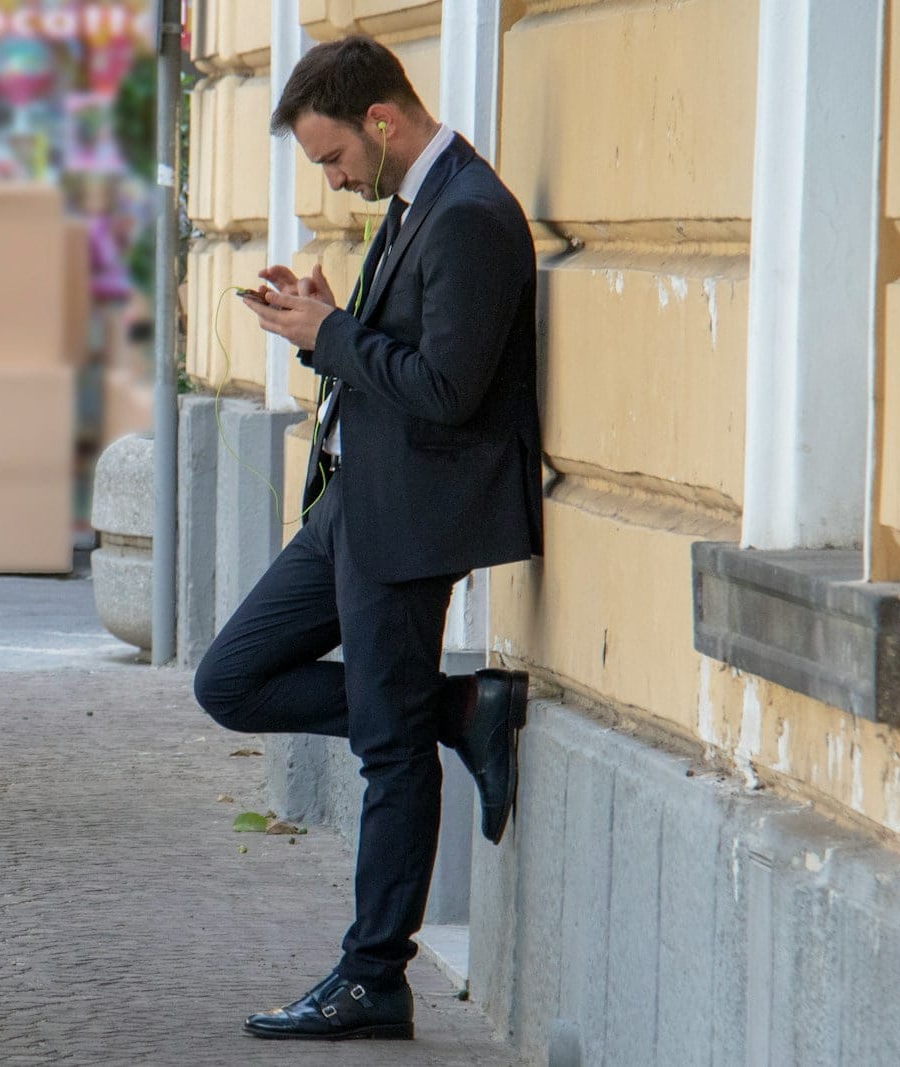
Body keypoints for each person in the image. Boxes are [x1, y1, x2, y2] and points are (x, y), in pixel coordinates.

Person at [192, 36, 543, 1041]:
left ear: (380, 122)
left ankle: (372, 975)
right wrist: (323, 319)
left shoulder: (471, 215)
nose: (333, 179)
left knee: (389, 750)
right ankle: (460, 706)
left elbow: (446, 388)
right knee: (232, 678)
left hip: (411, 517)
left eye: (334, 156)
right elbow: (405, 357)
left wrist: (329, 336)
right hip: (357, 501)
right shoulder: (418, 203)